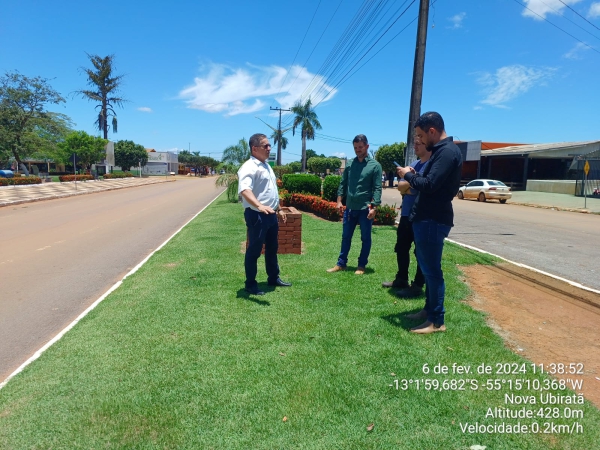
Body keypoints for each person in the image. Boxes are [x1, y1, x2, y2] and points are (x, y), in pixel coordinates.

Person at [396, 112, 462, 334]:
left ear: (432, 131)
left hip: (433, 219)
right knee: (427, 268)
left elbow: (430, 184)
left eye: (421, 135)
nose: (420, 140)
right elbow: (428, 182)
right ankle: (428, 311)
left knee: (432, 272)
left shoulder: (447, 153)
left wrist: (408, 175)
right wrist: (414, 176)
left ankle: (437, 321)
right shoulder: (440, 152)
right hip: (426, 218)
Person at [238, 133, 291, 295]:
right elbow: (245, 190)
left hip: (270, 215)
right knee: (254, 250)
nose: (269, 148)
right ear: (254, 149)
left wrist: (279, 209)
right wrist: (259, 206)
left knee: (272, 248)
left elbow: (271, 191)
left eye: (269, 145)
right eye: (265, 146)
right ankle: (250, 284)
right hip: (257, 215)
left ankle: (273, 277)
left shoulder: (266, 166)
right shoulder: (249, 167)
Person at [327, 134, 382, 275]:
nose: (358, 150)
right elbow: (343, 183)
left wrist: (374, 207)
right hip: (350, 208)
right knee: (346, 237)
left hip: (365, 209)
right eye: (355, 148)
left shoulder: (375, 166)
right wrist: (339, 201)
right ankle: (341, 264)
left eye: (360, 147)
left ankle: (361, 265)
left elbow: (377, 188)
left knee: (365, 238)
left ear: (367, 147)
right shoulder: (350, 164)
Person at [381, 138, 430, 296]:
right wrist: (411, 183)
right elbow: (401, 187)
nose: (415, 146)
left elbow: (422, 189)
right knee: (401, 247)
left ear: (427, 144)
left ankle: (417, 285)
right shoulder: (414, 165)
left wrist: (409, 184)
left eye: (418, 143)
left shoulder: (431, 165)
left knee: (420, 252)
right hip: (406, 214)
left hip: (421, 216)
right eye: (414, 143)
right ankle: (401, 278)